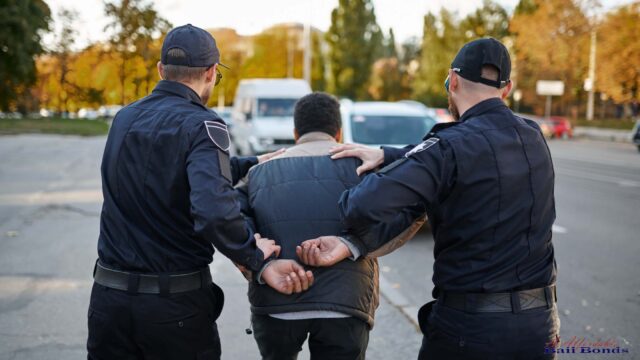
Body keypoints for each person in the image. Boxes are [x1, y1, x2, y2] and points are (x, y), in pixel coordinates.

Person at [298, 38, 560, 360]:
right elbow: (471, 155)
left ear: (453, 80)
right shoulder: (532, 134)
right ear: (506, 89)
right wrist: (389, 154)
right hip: (540, 325)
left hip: (472, 330)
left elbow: (360, 206)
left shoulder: (448, 146)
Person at [87, 24, 314, 360]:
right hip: (173, 310)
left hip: (108, 301)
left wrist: (249, 162)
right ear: (210, 73)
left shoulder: (124, 118)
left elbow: (162, 173)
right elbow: (213, 210)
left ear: (161, 70)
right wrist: (253, 254)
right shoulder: (202, 124)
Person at [236, 92, 425, 360]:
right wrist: (353, 244)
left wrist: (260, 266)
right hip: (346, 302)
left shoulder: (258, 173)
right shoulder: (364, 167)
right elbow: (410, 211)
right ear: (338, 132)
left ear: (295, 132)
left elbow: (230, 221)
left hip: (275, 301)